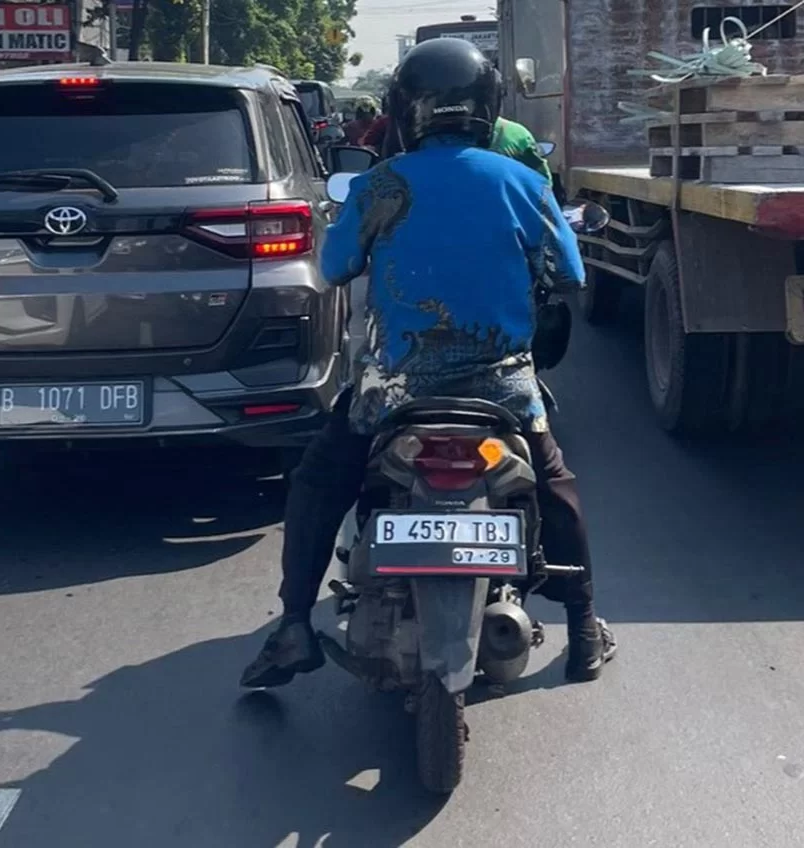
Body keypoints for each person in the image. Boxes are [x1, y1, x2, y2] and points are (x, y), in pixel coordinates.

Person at [241, 37, 616, 690]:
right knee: (555, 483)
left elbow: (333, 269)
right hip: (503, 392)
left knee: (321, 479)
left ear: (406, 109)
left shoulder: (380, 183)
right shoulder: (524, 180)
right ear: (487, 106)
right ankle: (583, 627)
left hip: (392, 392)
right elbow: (574, 274)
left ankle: (296, 623)